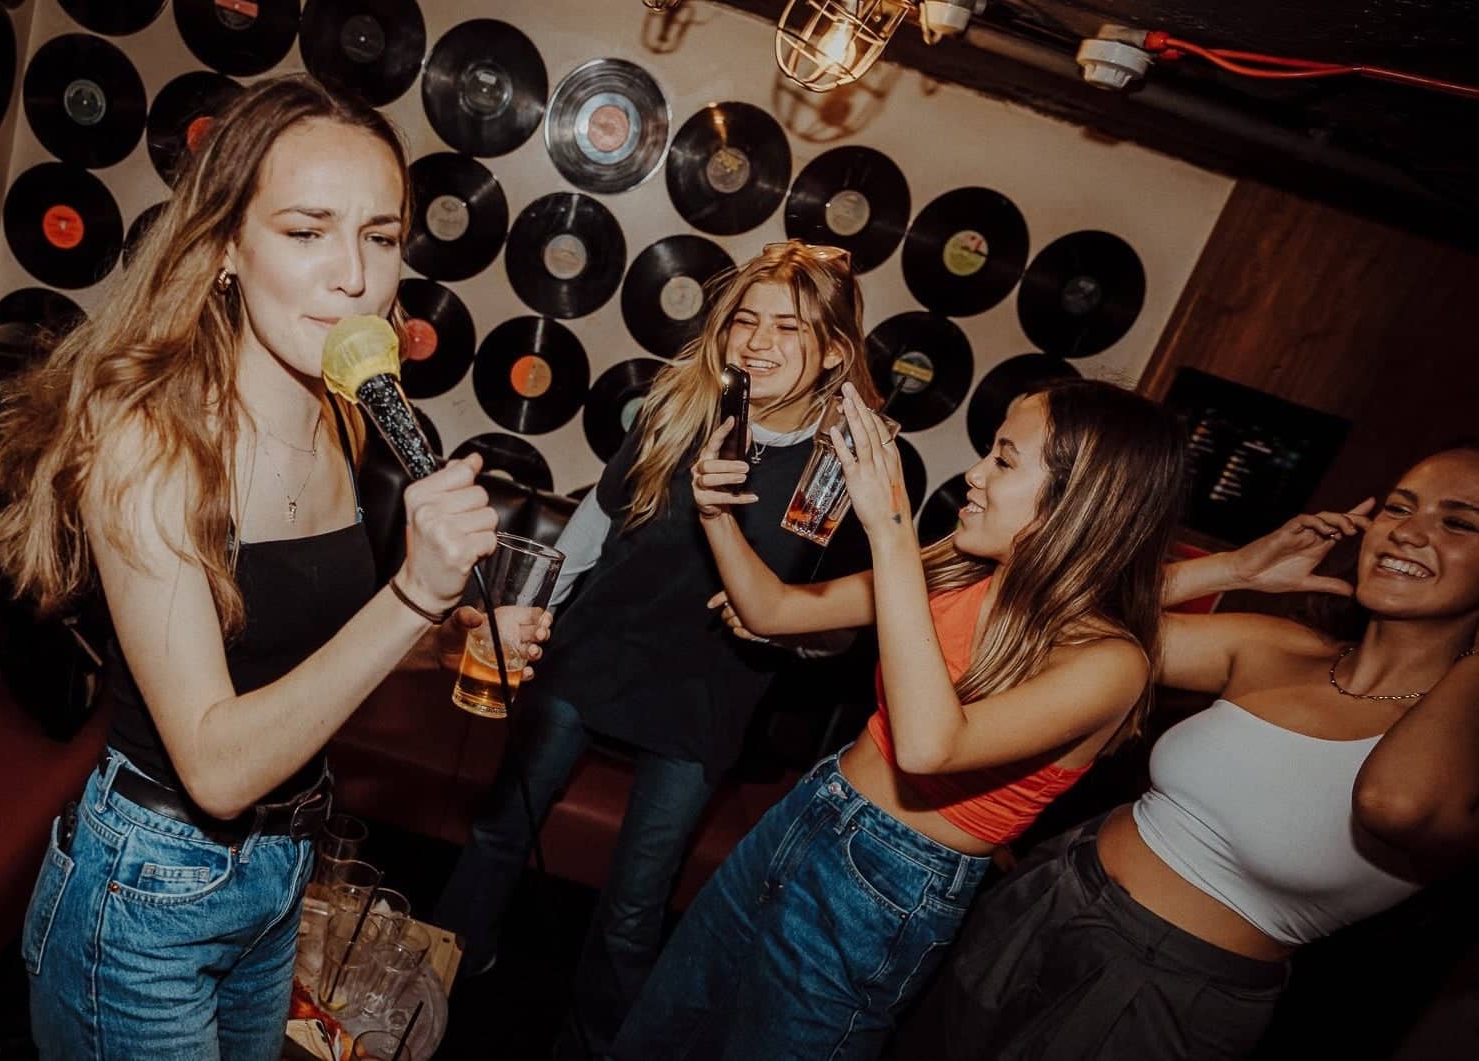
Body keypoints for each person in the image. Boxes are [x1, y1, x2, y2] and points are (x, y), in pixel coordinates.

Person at [0, 76, 541, 1060]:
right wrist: (412, 594)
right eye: (305, 231)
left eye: (379, 235)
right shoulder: (150, 443)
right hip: (150, 890)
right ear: (226, 248)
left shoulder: (344, 415)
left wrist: (441, 635)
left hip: (283, 870)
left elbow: (303, 648)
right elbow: (216, 766)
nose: (354, 276)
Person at [611, 377, 1190, 1060]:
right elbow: (772, 610)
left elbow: (929, 746)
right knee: (662, 1030)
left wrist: (889, 530)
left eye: (1004, 460)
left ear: (1083, 500)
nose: (975, 474)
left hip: (889, 884)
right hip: (809, 811)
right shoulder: (959, 571)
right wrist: (715, 516)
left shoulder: (1109, 662)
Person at [432, 242, 881, 1056]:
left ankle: (601, 1042)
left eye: (788, 326)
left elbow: (846, 625)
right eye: (745, 319)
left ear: (833, 352)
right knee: (501, 828)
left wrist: (786, 627)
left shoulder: (844, 468)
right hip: (593, 652)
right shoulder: (680, 407)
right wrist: (521, 616)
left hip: (706, 697)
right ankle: (440, 977)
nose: (758, 340)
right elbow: (590, 531)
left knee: (635, 903)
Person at [891, 442, 1479, 1061]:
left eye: (1459, 523)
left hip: (1164, 989)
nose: (1408, 532)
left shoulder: (1459, 753)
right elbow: (1067, 622)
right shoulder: (1282, 647)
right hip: (1050, 887)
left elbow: (1393, 803)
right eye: (1398, 508)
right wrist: (1233, 570)